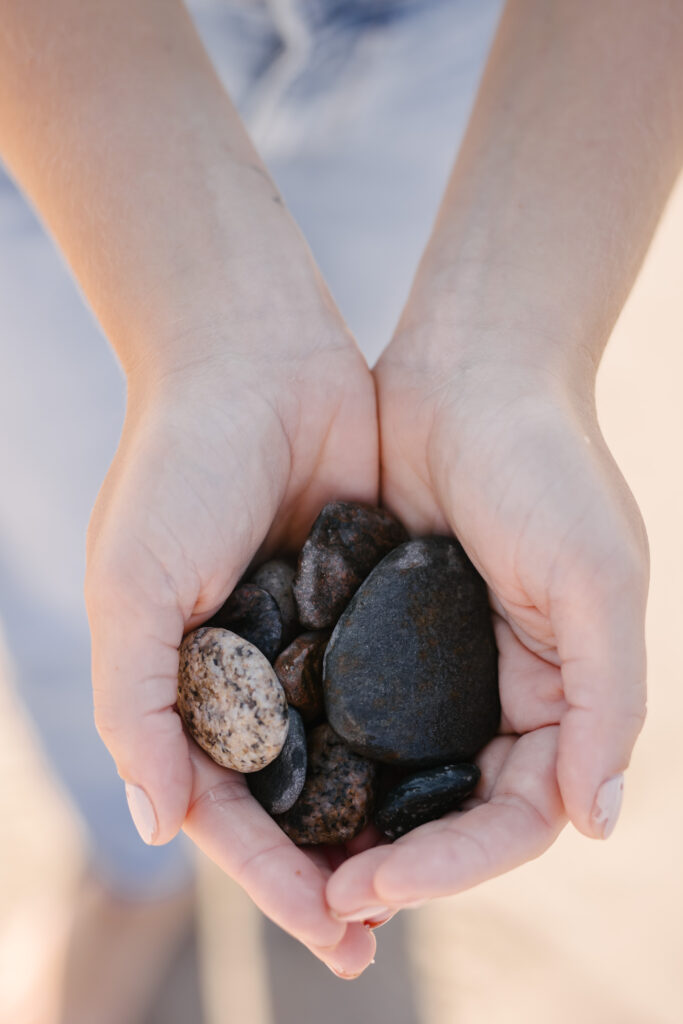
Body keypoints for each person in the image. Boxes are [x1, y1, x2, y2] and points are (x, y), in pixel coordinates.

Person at [0, 0, 680, 999]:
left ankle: (148, 865)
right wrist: (198, 348)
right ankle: (134, 867)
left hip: (473, 50)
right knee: (79, 586)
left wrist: (511, 354)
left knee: (326, 409)